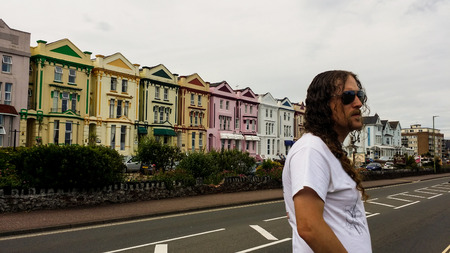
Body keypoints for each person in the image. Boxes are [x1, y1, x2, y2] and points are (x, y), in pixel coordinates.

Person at [282, 70, 372, 252]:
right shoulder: (311, 149)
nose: (358, 103)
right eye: (348, 96)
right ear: (325, 104)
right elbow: (309, 227)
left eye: (359, 95)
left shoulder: (328, 149)